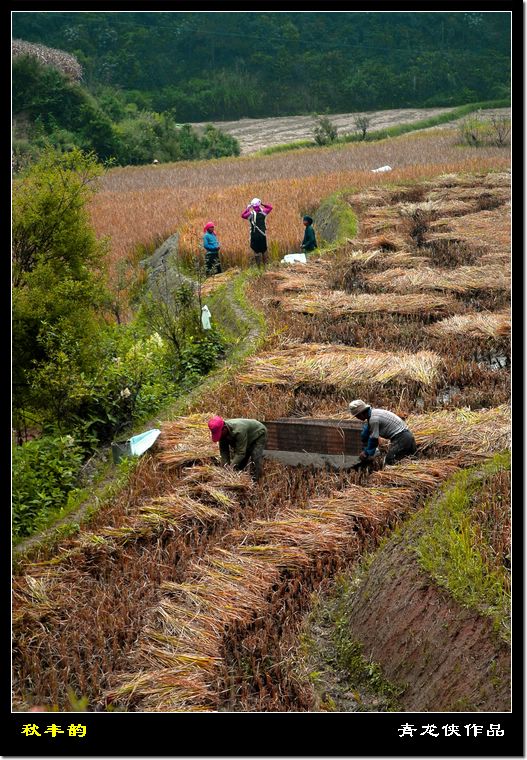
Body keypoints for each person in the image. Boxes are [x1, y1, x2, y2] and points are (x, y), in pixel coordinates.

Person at [348, 399, 417, 466]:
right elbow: (367, 429)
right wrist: (364, 438)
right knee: (410, 459)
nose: (357, 418)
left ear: (361, 414)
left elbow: (374, 439)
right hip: (407, 435)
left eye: (357, 416)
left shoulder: (373, 420)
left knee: (390, 460)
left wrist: (366, 452)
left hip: (402, 438)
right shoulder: (374, 413)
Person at [208, 415, 268, 481]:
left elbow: (241, 453)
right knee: (240, 462)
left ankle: (258, 480)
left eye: (220, 434)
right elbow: (224, 452)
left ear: (224, 428)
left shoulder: (239, 430)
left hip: (258, 434)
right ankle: (240, 477)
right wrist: (225, 468)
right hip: (245, 436)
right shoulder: (222, 434)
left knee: (255, 457)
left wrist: (231, 468)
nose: (220, 436)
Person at [241, 198, 273, 268]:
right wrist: (262, 204)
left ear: (253, 206)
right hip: (262, 234)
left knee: (256, 251)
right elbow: (270, 207)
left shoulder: (251, 214)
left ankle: (259, 267)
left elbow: (243, 215)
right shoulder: (263, 212)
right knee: (264, 250)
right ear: (259, 205)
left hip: (254, 235)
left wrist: (248, 208)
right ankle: (265, 266)